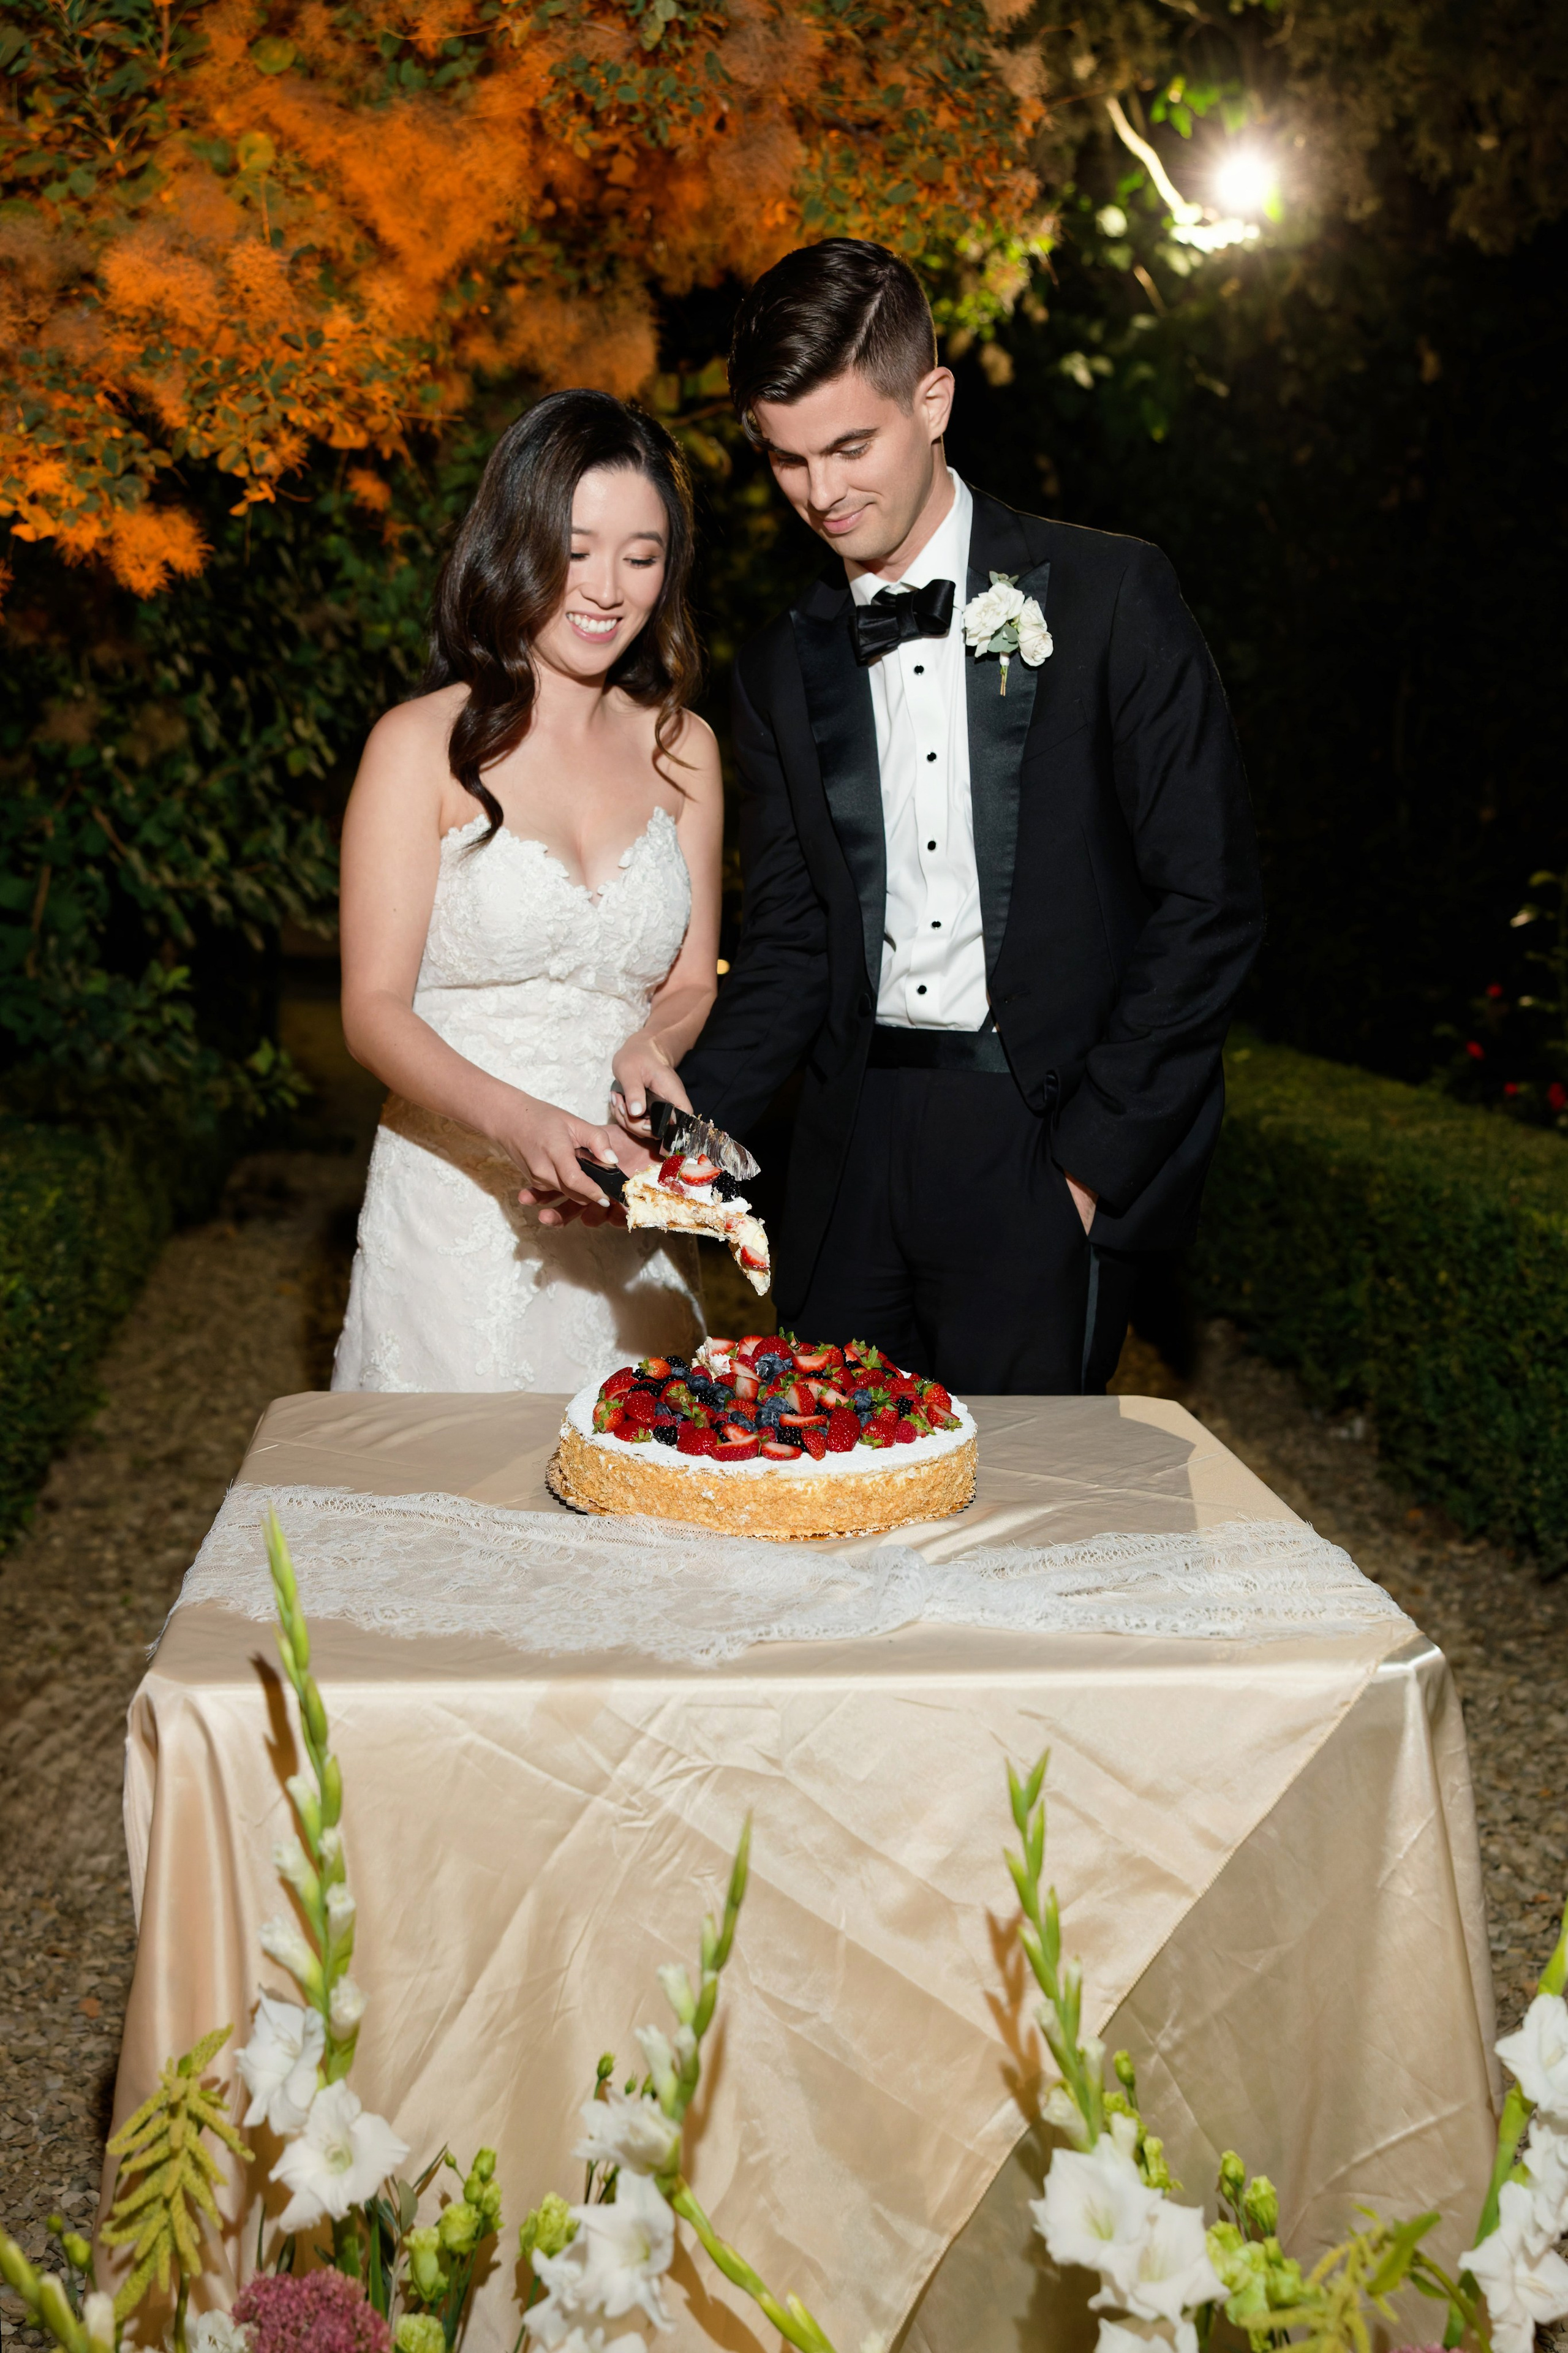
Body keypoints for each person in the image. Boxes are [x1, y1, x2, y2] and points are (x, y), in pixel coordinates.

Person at [672, 240, 1265, 1395]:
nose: (822, 493)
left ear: (932, 400)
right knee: (827, 1513)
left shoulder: (1110, 597)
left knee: (1020, 1534)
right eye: (787, 459)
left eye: (851, 446)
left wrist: (1090, 1167)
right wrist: (684, 1142)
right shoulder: (780, 670)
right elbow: (792, 950)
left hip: (1040, 1140)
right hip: (849, 1156)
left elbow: (1211, 900)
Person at [331, 390, 723, 1393]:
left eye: (641, 557)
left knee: (646, 1508)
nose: (606, 588)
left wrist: (654, 1044)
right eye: (576, 548)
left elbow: (691, 980)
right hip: (456, 1208)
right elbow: (373, 1011)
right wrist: (520, 1128)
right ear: (517, 542)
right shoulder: (418, 745)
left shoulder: (685, 750)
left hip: (621, 1194)